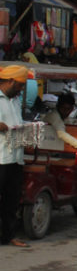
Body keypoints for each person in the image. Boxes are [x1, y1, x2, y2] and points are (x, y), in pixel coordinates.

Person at [0, 65, 31, 248]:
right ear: (10, 81)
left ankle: (8, 235)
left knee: (12, 199)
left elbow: (18, 122)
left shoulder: (16, 100)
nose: (20, 89)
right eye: (19, 85)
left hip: (16, 156)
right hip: (0, 157)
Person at [43, 93, 77, 158]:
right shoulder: (54, 116)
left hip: (58, 145)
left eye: (68, 109)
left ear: (72, 109)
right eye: (63, 108)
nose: (65, 112)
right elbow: (62, 134)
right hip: (51, 149)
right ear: (58, 106)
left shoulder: (63, 118)